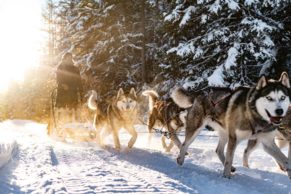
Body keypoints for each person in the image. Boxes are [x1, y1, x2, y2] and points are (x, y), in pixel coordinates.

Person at [55, 52, 83, 125]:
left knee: (74, 109)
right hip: (62, 93)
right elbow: (58, 79)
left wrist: (81, 91)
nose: (69, 59)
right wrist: (63, 85)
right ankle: (60, 125)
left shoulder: (75, 68)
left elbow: (79, 80)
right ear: (64, 58)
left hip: (73, 93)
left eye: (70, 57)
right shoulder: (60, 67)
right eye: (68, 57)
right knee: (62, 110)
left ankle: (74, 126)